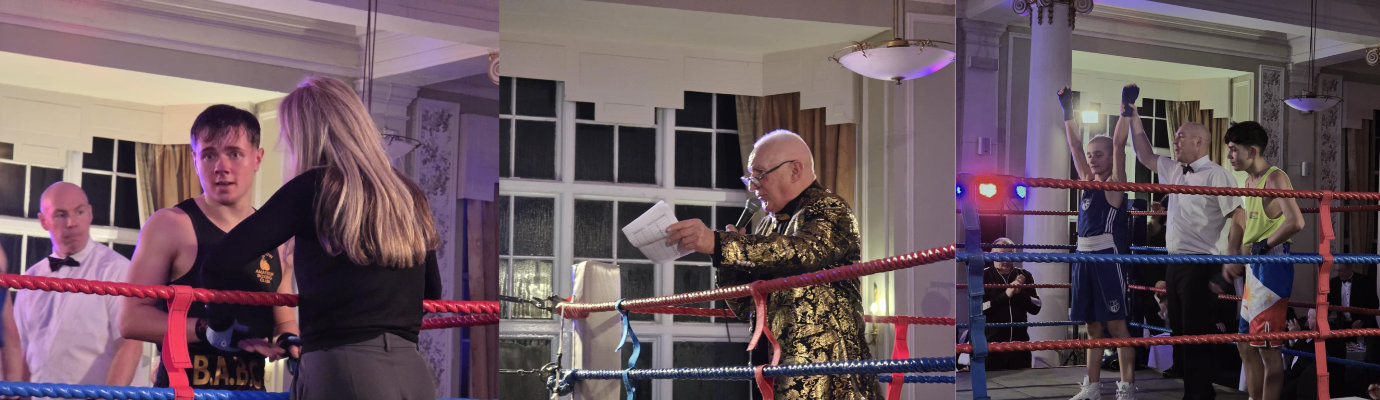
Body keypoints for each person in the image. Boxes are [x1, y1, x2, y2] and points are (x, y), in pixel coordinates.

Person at [200, 76, 442, 400]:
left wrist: (220, 328)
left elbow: (219, 263)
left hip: (342, 365)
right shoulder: (407, 192)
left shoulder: (316, 187)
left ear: (304, 136)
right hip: (412, 371)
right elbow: (432, 293)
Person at [665, 129, 881, 399]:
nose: (752, 187)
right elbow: (747, 308)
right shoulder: (768, 224)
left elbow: (802, 253)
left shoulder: (829, 209)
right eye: (750, 178)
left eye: (759, 175)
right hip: (775, 366)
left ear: (795, 170)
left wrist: (719, 244)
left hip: (828, 371)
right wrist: (729, 262)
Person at [122, 105, 294, 391]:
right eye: (209, 154)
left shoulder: (278, 237)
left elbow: (284, 321)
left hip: (250, 394)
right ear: (195, 160)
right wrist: (207, 329)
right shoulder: (170, 225)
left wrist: (290, 341)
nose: (221, 166)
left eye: (234, 153)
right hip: (183, 391)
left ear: (257, 158)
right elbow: (131, 319)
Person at [1121, 83, 1245, 400]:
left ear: (1199, 142)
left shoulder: (1217, 174)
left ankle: (1199, 394)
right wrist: (1133, 115)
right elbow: (1145, 153)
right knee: (1178, 331)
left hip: (1202, 263)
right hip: (1175, 261)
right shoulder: (1174, 169)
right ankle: (1196, 391)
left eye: (1180, 137)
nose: (1175, 141)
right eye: (1175, 137)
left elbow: (1239, 216)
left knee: (1196, 332)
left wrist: (1230, 260)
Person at [13, 182, 143, 388]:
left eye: (79, 212)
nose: (71, 222)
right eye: (60, 215)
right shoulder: (31, 278)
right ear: (44, 221)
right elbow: (23, 349)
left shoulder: (116, 271)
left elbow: (130, 345)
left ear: (90, 213)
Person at [1058, 86, 1137, 400]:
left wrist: (1126, 107)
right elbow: (1075, 144)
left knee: (1117, 326)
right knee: (1091, 327)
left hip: (1107, 256)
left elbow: (1119, 144)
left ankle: (1127, 386)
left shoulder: (1115, 185)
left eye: (1098, 154)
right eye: (1091, 156)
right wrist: (1067, 108)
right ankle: (1092, 386)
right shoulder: (1086, 182)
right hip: (1082, 256)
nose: (1092, 159)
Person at [1222, 120, 1305, 400]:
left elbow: (1296, 221)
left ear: (1253, 150)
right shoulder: (1247, 181)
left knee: (1269, 350)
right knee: (1245, 344)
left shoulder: (1276, 178)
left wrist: (1264, 244)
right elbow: (1245, 223)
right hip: (1254, 268)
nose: (1230, 155)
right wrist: (1235, 252)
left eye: (1234, 150)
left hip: (1273, 267)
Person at [982, 237, 1042, 371]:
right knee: (992, 389)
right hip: (992, 347)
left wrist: (1020, 293)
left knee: (1022, 387)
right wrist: (1006, 295)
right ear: (992, 255)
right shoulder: (982, 276)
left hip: (1020, 347)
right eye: (1001, 254)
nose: (1005, 259)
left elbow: (1036, 306)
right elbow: (980, 309)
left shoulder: (1024, 275)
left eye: (1010, 254)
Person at [1327, 263, 1377, 397]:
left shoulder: (1365, 282)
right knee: (1332, 347)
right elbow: (1327, 306)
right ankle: (1338, 390)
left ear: (1350, 268)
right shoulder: (1333, 283)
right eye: (1337, 271)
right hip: (1344, 326)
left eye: (1342, 271)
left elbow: (1374, 304)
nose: (1339, 274)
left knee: (1373, 351)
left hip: (1364, 323)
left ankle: (1373, 389)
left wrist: (1361, 321)